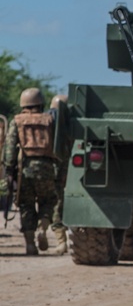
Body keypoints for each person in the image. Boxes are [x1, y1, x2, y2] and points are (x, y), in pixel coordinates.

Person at [2, 88, 60, 255]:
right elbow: (57, 146)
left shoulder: (17, 121)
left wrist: (9, 168)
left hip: (24, 170)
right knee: (48, 201)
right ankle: (42, 226)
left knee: (26, 205)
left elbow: (10, 148)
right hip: (47, 168)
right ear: (41, 103)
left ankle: (30, 245)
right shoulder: (50, 120)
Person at [42, 94, 70, 255]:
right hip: (64, 169)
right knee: (58, 202)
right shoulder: (71, 122)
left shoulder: (44, 120)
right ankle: (61, 241)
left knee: (45, 200)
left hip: (45, 166)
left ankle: (41, 227)